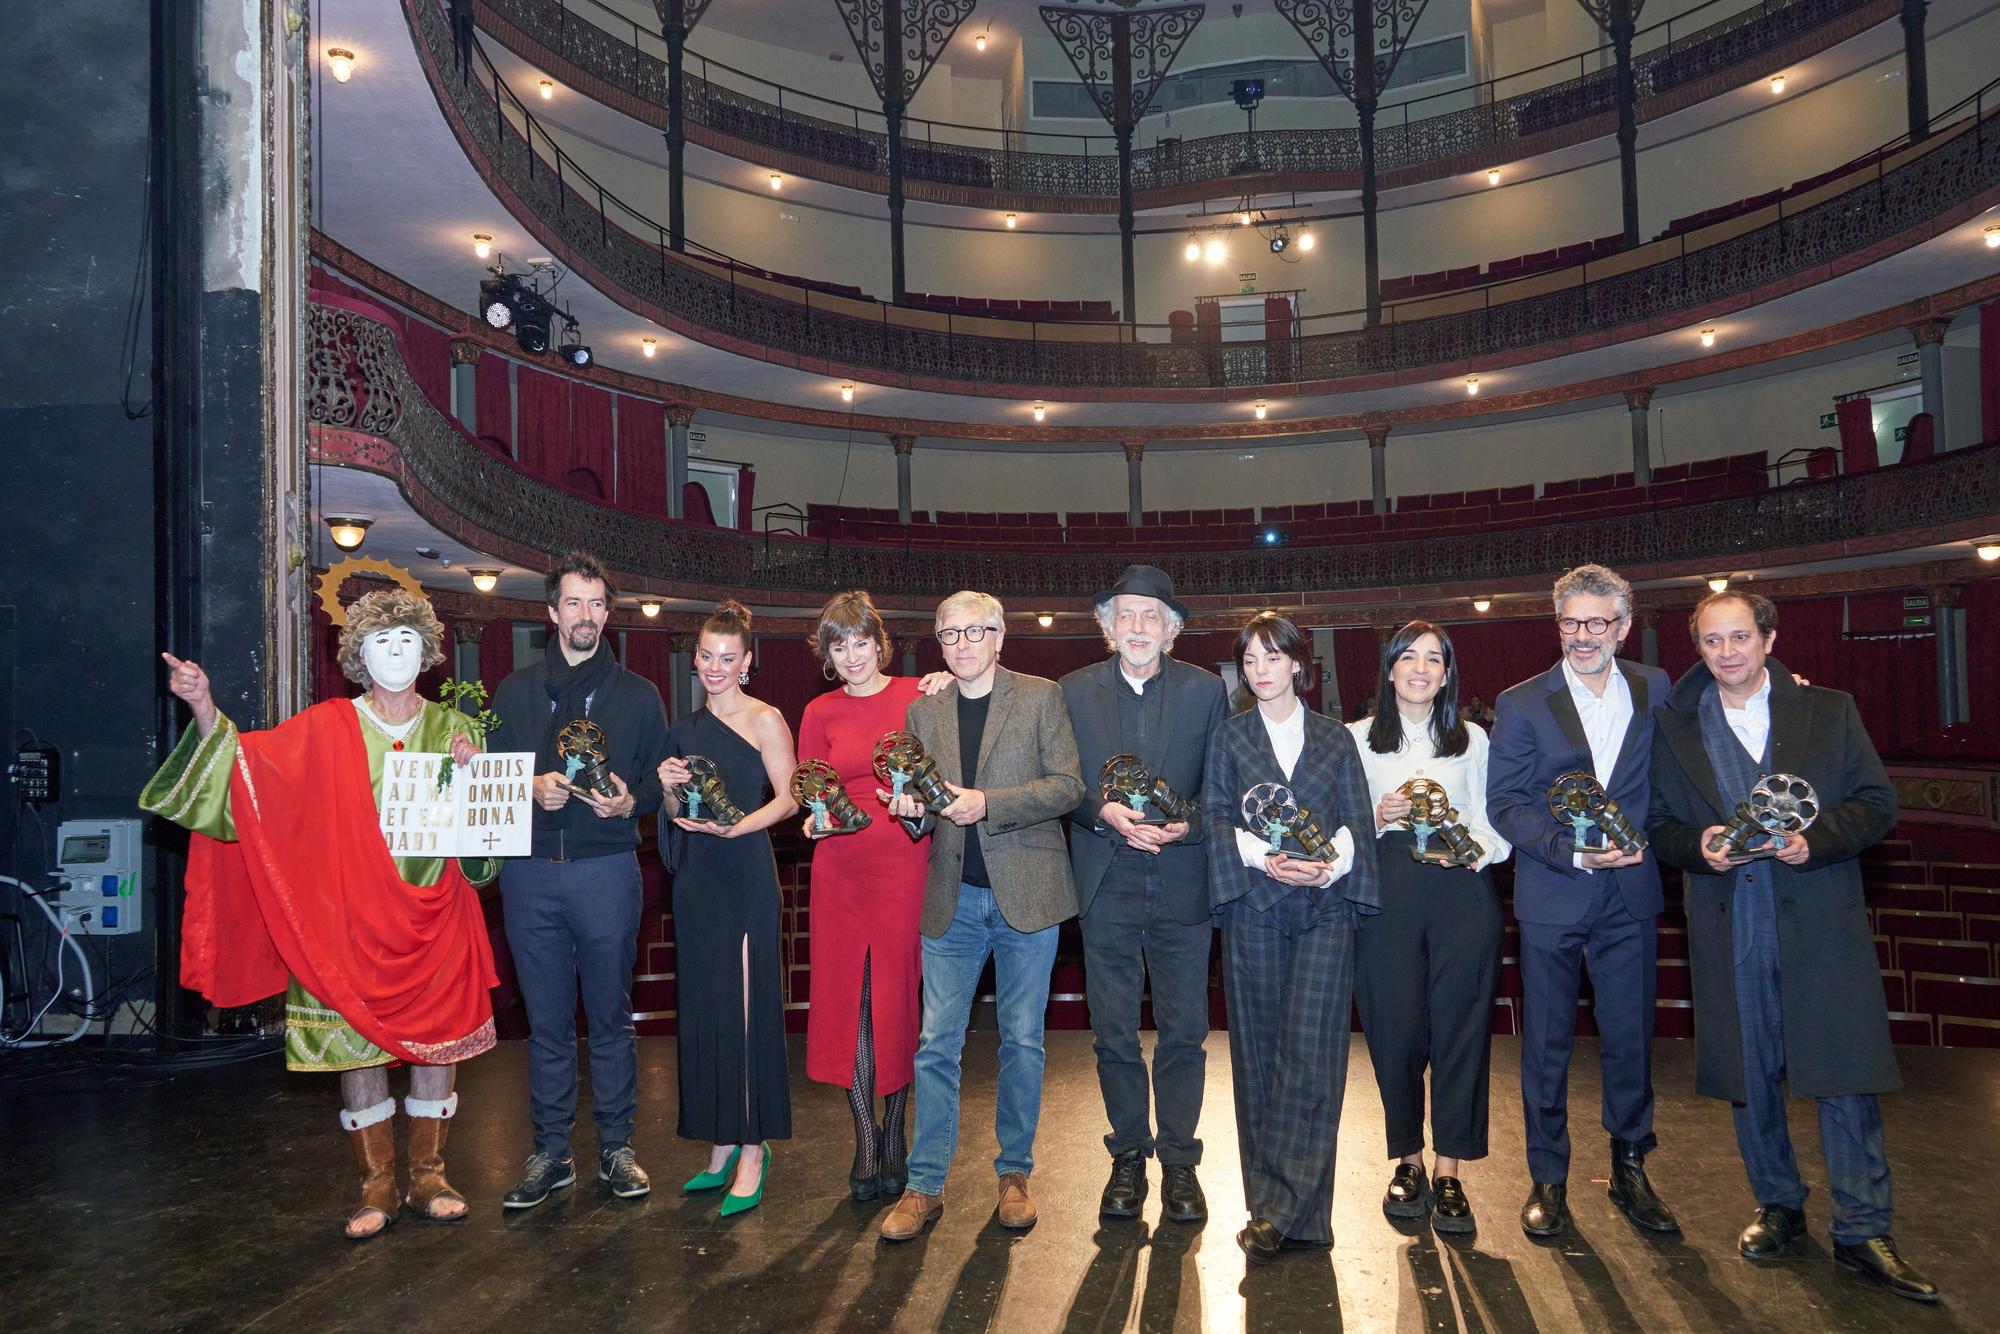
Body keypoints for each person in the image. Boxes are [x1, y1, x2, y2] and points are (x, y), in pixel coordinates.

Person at [142, 588, 499, 1239]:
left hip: (435, 916)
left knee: (435, 1046)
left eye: (407, 640)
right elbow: (248, 773)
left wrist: (476, 785)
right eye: (381, 641)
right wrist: (201, 706)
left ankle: (429, 1174)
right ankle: (377, 1186)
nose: (396, 652)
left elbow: (482, 856)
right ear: (359, 654)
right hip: (344, 919)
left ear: (427, 651)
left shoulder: (457, 730)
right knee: (355, 1049)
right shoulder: (325, 725)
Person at [1646, 591, 1938, 1303]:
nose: (1727, 652)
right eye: (1712, 641)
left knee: (1843, 1075)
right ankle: (1777, 1206)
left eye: (1740, 636)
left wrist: (1816, 841)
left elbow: (1876, 804)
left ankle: (1863, 1229)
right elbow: (1657, 825)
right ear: (1700, 649)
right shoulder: (1674, 727)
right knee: (1753, 1078)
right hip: (1729, 919)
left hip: (1818, 914)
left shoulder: (1828, 709)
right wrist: (1700, 847)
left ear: (1768, 639)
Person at [877, 590, 1085, 1241]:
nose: (962, 643)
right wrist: (911, 813)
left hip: (1029, 896)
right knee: (937, 1045)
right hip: (952, 901)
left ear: (999, 637)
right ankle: (924, 1185)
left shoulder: (1041, 695)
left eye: (974, 631)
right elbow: (920, 810)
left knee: (1022, 1042)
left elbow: (1067, 787)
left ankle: (1015, 1175)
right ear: (939, 644)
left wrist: (985, 803)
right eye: (949, 634)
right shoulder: (922, 711)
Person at [1487, 563, 1678, 1239]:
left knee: (1630, 1041)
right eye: (1571, 622)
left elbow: (1683, 764)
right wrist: (1569, 850)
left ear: (1624, 628)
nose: (1582, 636)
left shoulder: (1657, 687)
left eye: (1598, 622)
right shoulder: (1522, 700)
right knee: (1546, 1044)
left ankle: (1631, 1171)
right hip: (1553, 893)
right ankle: (1548, 1179)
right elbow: (1504, 804)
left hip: (1631, 895)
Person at [490, 551, 670, 1210]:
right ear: (551, 612)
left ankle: (617, 1149)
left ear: (608, 614)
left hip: (606, 873)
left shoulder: (638, 695)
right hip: (530, 874)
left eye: (596, 604)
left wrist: (631, 803)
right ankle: (551, 1153)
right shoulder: (513, 692)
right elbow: (483, 777)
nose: (585, 615)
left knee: (612, 1020)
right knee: (546, 1025)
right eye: (574, 603)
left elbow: (661, 780)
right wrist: (524, 784)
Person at [1203, 611, 1379, 1263]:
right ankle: (1275, 1209)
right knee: (1257, 1060)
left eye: (1271, 658)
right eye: (1249, 661)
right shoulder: (1228, 738)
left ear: (1299, 664)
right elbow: (1215, 821)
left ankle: (1292, 1208)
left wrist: (1329, 861)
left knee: (1316, 1056)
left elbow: (1357, 821)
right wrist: (1261, 858)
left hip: (1326, 911)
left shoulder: (1336, 740)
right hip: (1254, 908)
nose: (1260, 671)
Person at [1059, 565, 1227, 1225]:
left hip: (1184, 882)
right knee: (1114, 1035)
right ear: (1107, 625)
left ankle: (1182, 1164)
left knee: (1186, 1033)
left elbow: (1227, 780)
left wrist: (1196, 823)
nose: (1136, 627)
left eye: (1150, 616)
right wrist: (1101, 813)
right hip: (1106, 883)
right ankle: (1127, 1157)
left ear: (1172, 630)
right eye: (1125, 614)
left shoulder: (1208, 692)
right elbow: (1059, 781)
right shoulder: (1069, 693)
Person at [1349, 621, 1510, 1234]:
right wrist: (1375, 813)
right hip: (1387, 886)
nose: (1421, 668)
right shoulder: (1354, 738)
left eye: (1434, 659)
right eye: (1409, 657)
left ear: (1447, 674)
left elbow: (1495, 822)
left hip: (1461, 889)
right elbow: (1336, 829)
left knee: (1461, 1032)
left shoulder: (1473, 738)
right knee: (1394, 1032)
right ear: (1389, 669)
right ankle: (1408, 1161)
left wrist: (1479, 851)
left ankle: (1449, 1172)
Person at [658, 600, 799, 1217]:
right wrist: (666, 791)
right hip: (696, 879)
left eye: (728, 658)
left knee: (743, 1013)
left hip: (743, 874)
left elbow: (792, 800)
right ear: (696, 660)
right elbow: (674, 815)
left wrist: (740, 828)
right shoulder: (682, 729)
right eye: (707, 657)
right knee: (705, 1010)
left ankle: (752, 1148)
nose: (716, 668)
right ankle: (718, 1143)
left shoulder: (766, 719)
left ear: (747, 662)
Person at [795, 590, 928, 1201]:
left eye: (860, 641)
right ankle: (866, 1140)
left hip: (902, 860)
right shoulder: (819, 711)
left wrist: (943, 682)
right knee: (854, 1002)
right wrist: (814, 820)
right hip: (841, 868)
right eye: (838, 644)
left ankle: (896, 1128)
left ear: (880, 643)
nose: (851, 655)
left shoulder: (918, 697)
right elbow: (810, 791)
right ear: (828, 653)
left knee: (896, 997)